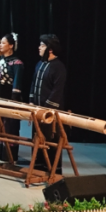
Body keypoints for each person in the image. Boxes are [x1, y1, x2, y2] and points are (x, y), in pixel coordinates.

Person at [30, 34, 67, 172]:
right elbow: (34, 83)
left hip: (50, 111)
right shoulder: (39, 64)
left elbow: (57, 90)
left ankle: (52, 170)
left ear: (50, 49)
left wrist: (46, 109)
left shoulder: (59, 67)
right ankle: (38, 167)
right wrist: (32, 102)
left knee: (51, 139)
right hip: (38, 110)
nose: (39, 48)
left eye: (42, 45)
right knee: (37, 138)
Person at [0, 32, 25, 163]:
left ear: (11, 46)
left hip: (9, 100)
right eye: (0, 42)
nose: (0, 45)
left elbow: (17, 84)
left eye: (3, 43)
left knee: (10, 127)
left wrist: (13, 101)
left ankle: (10, 157)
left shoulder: (17, 63)